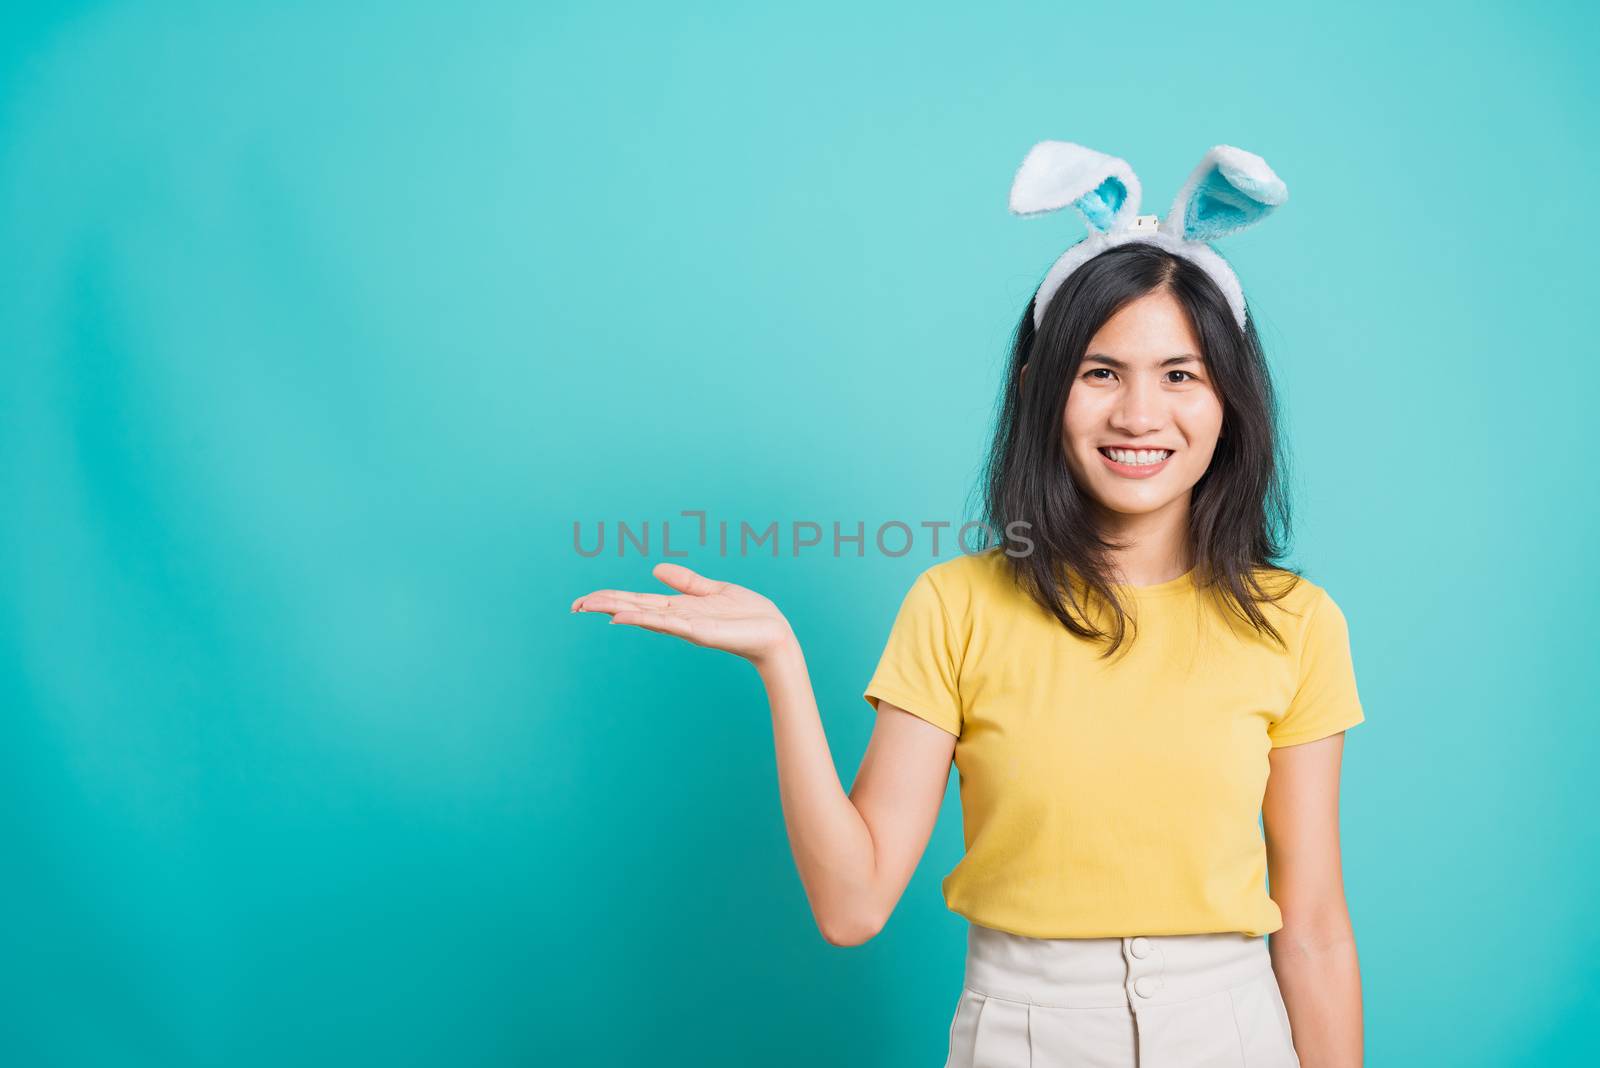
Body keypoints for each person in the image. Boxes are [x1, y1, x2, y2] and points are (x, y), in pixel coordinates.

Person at [570, 142, 1365, 1067]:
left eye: (1180, 374)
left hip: (1235, 1033)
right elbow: (851, 905)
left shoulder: (1297, 622)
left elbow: (1311, 930)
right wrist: (782, 663)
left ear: (1230, 398)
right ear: (1040, 389)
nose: (1140, 415)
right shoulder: (957, 606)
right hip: (1023, 1035)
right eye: (1100, 372)